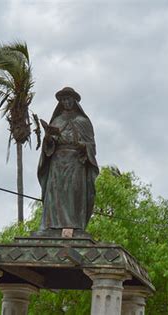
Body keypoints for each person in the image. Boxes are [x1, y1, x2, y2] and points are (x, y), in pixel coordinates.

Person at [37, 87, 99, 232]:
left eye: (68, 99)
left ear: (74, 100)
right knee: (56, 194)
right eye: (63, 99)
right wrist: (48, 138)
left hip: (76, 162)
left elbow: (92, 146)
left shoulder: (83, 121)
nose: (66, 102)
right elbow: (49, 146)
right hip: (57, 162)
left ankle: (73, 225)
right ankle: (51, 225)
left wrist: (82, 146)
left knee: (73, 193)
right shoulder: (57, 120)